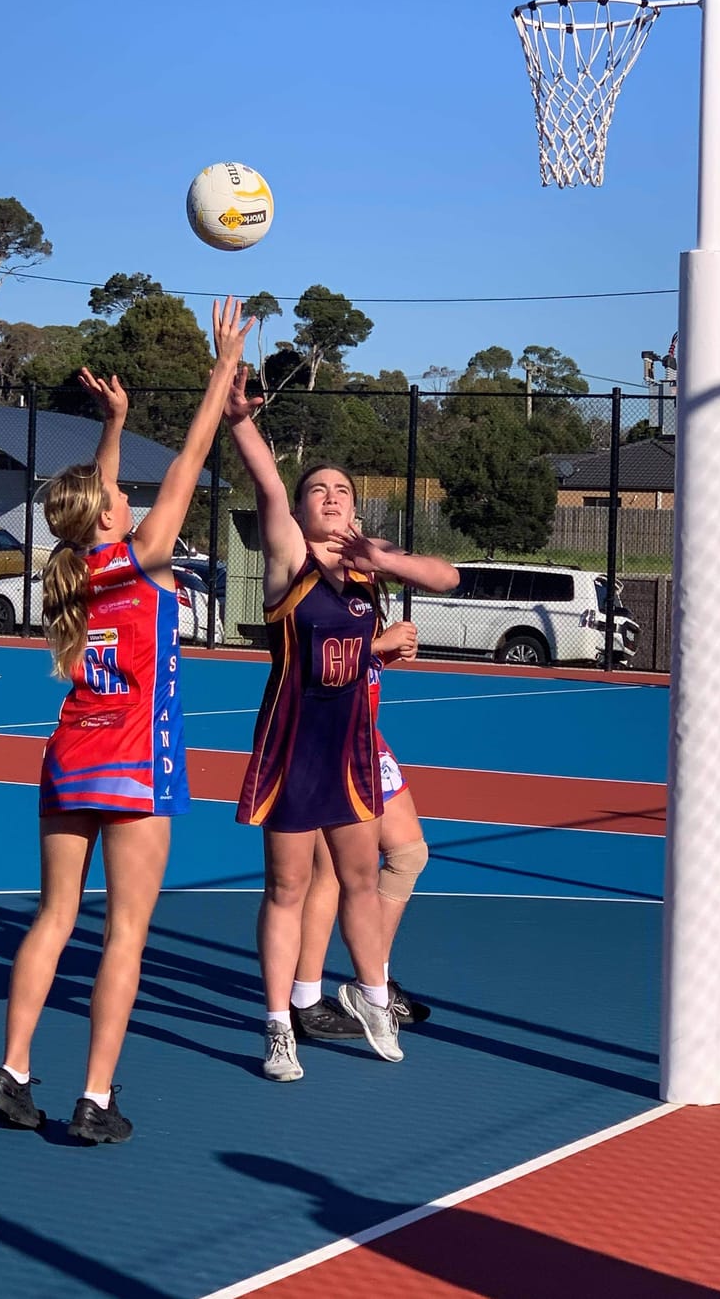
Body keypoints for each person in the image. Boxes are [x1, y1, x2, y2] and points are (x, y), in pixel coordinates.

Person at [0, 297, 255, 1142]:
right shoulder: (142, 558)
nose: (126, 492)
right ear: (106, 513)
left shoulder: (73, 570)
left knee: (53, 918)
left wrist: (115, 423)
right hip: (136, 766)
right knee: (123, 935)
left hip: (68, 762)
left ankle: (14, 1069)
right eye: (115, 491)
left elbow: (92, 501)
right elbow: (193, 457)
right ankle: (95, 1097)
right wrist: (220, 369)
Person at [225, 392, 459, 1082]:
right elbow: (268, 480)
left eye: (342, 489)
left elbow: (446, 574)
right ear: (299, 511)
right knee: (289, 885)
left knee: (363, 874)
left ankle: (371, 993)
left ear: (355, 509)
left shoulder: (368, 561)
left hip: (354, 749)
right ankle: (280, 1024)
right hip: (294, 749)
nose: (330, 494)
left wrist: (387, 563)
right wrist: (240, 419)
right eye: (317, 489)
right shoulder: (288, 557)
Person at [291, 616, 435, 1042]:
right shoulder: (310, 587)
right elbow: (311, 661)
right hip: (323, 740)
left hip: (364, 735)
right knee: (330, 874)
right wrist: (377, 646)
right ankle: (305, 1000)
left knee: (409, 854)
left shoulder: (364, 589)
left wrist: (389, 651)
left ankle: (373, 983)